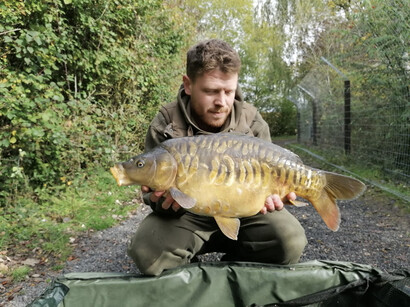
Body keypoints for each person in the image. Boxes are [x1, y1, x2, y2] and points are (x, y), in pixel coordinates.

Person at [127, 39, 307, 276]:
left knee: (290, 241)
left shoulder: (252, 121)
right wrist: (164, 203)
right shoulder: (166, 123)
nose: (221, 102)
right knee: (147, 253)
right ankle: (192, 279)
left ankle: (232, 268)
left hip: (245, 212)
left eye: (229, 91)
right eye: (211, 91)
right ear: (188, 85)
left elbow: (272, 180)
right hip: (187, 216)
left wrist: (274, 198)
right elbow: (151, 194)